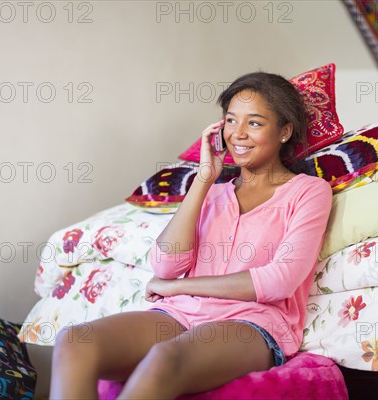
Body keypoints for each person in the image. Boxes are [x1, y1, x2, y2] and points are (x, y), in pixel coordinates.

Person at [50, 71, 333, 399]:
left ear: (284, 131)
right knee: (73, 341)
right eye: (230, 120)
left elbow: (278, 281)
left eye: (254, 123)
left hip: (251, 323)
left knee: (164, 358)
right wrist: (203, 179)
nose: (238, 134)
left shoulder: (309, 192)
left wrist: (176, 287)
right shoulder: (211, 194)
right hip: (180, 313)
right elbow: (166, 265)